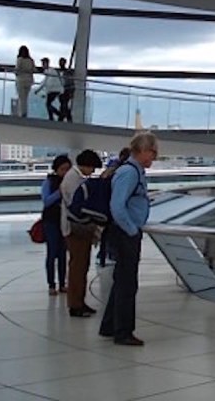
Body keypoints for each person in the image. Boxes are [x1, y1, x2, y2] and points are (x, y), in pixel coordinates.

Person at [99, 131, 156, 346]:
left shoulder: (134, 171)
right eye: (152, 152)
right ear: (142, 150)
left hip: (125, 232)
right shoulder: (130, 173)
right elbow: (117, 206)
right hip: (125, 234)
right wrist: (132, 230)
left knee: (122, 281)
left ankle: (109, 325)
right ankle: (123, 331)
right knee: (127, 284)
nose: (154, 157)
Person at [61, 149, 102, 317]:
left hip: (76, 228)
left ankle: (80, 301)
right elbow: (77, 206)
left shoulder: (74, 177)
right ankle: (75, 304)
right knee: (78, 267)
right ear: (86, 165)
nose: (92, 172)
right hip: (75, 229)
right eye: (92, 168)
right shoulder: (73, 179)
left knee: (81, 266)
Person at [41, 155, 70, 296]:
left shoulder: (70, 182)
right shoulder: (49, 182)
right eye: (62, 169)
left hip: (64, 220)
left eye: (67, 169)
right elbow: (46, 201)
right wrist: (60, 192)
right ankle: (51, 284)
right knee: (52, 253)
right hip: (51, 221)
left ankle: (63, 283)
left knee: (63, 253)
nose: (65, 172)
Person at [98, 147, 129, 267]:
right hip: (115, 216)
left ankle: (104, 265)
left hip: (106, 214)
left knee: (106, 245)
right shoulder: (124, 173)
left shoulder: (108, 172)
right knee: (117, 250)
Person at [34, 57, 63, 121]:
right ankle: (52, 117)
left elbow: (45, 82)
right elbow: (45, 82)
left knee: (48, 104)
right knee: (48, 104)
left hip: (53, 90)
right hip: (55, 90)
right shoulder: (51, 71)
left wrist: (38, 90)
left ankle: (59, 114)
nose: (42, 65)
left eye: (43, 63)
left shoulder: (50, 71)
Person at [15, 45, 35, 118]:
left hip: (21, 80)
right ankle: (25, 112)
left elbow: (17, 69)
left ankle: (21, 113)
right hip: (29, 80)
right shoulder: (31, 60)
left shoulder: (20, 59)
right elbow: (34, 69)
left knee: (21, 97)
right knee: (25, 98)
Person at [58, 57, 74, 122]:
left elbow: (70, 81)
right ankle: (67, 118)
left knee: (64, 104)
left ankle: (63, 118)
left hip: (66, 89)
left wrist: (71, 91)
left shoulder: (67, 72)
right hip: (61, 89)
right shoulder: (59, 72)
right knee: (63, 104)